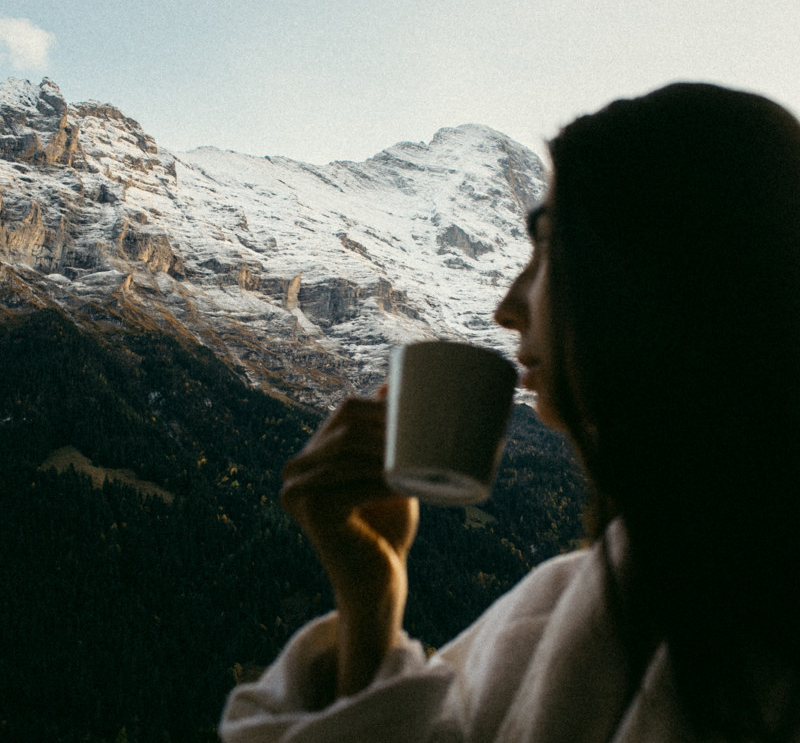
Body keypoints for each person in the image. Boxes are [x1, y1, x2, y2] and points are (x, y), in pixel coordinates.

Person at [219, 83, 800, 742]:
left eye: (548, 247)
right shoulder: (560, 610)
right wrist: (371, 596)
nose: (507, 305)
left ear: (660, 269)